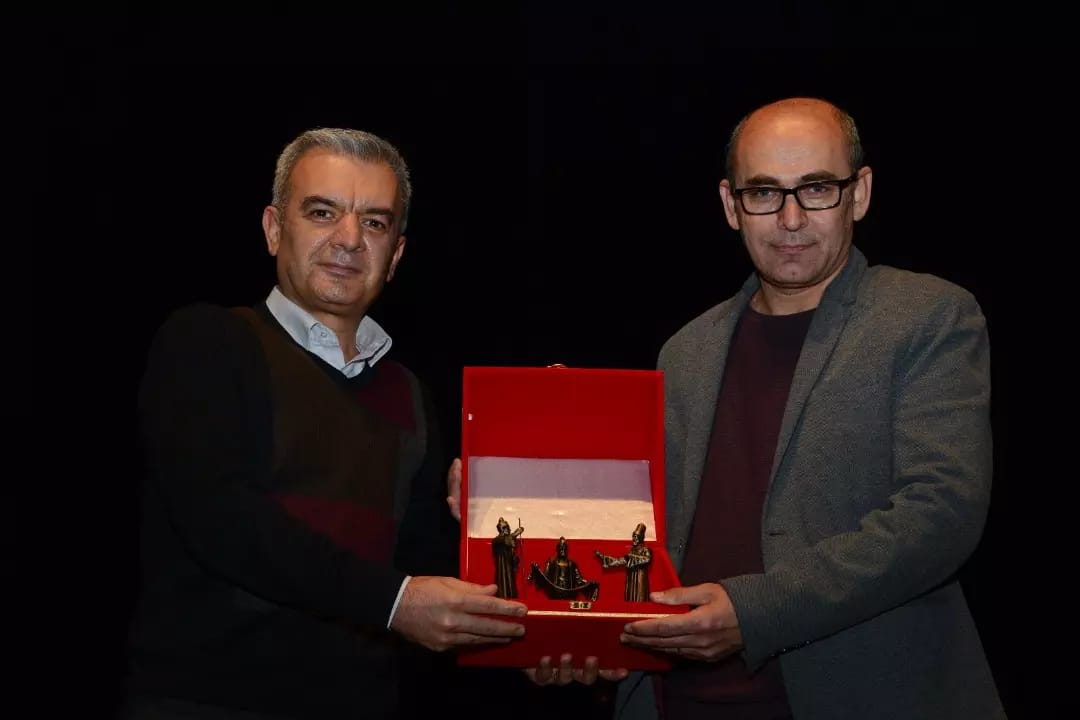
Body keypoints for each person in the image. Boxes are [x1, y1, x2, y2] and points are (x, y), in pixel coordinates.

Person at [604, 97, 1006, 718]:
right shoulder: (684, 351)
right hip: (676, 699)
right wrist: (588, 627)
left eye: (816, 189)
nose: (790, 218)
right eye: (764, 192)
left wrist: (755, 612)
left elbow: (941, 514)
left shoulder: (927, 316)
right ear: (731, 205)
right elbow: (642, 526)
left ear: (859, 193)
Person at [124, 127, 527, 719]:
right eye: (322, 212)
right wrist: (396, 601)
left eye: (374, 222)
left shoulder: (410, 395)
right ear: (273, 229)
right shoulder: (209, 342)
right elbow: (225, 522)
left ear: (396, 255)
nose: (349, 239)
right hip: (207, 702)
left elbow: (423, 574)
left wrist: (509, 588)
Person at [595, 523, 652, 602]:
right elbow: (623, 560)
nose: (634, 538)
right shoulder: (632, 550)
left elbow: (647, 559)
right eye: (634, 536)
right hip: (631, 577)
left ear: (641, 537)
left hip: (640, 577)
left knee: (639, 596)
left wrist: (631, 556)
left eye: (637, 536)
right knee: (630, 596)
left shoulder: (645, 549)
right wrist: (606, 558)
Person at [493, 516, 525, 599]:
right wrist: (516, 533)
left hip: (509, 568)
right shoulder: (497, 540)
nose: (507, 529)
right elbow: (506, 539)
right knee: (502, 585)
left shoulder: (508, 538)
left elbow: (512, 551)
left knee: (510, 585)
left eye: (507, 527)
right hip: (502, 568)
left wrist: (515, 559)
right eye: (505, 528)